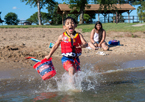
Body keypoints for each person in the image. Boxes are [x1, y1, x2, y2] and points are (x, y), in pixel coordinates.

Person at [44, 17, 88, 89]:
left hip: (76, 59)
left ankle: (73, 84)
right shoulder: (61, 36)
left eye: (72, 23)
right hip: (66, 59)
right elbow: (55, 46)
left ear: (76, 25)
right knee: (71, 70)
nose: (70, 25)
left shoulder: (79, 35)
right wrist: (49, 55)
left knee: (77, 74)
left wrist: (83, 45)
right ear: (64, 27)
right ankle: (72, 87)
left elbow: (85, 43)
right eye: (67, 24)